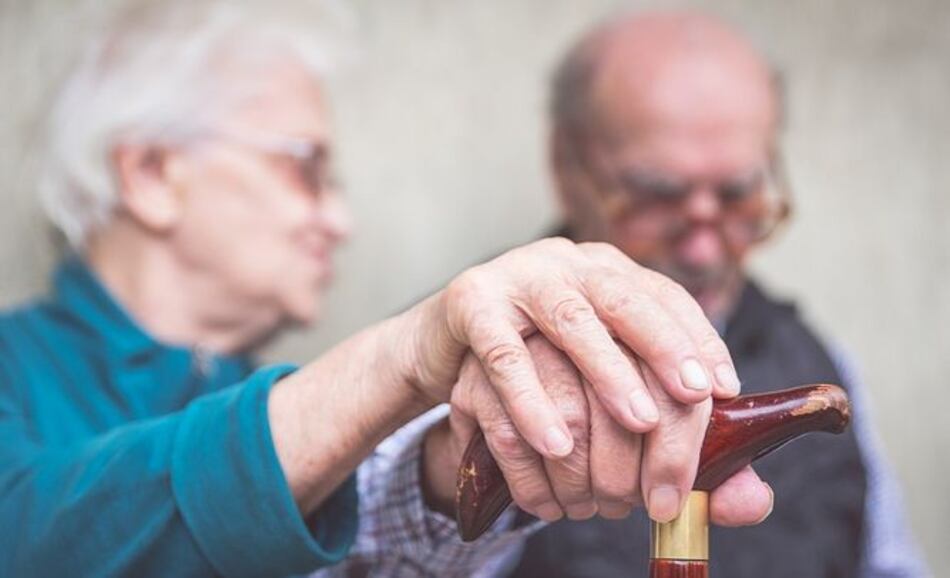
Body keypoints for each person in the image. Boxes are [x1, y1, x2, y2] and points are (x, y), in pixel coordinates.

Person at [0, 2, 773, 577]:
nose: (339, 221)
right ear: (151, 175)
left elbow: (352, 546)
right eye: (305, 168)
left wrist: (474, 455)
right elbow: (31, 537)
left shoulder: (276, 402)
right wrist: (401, 357)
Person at [506, 10, 930, 578]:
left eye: (736, 196)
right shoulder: (474, 368)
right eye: (657, 196)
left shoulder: (819, 363)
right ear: (567, 165)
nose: (704, 253)